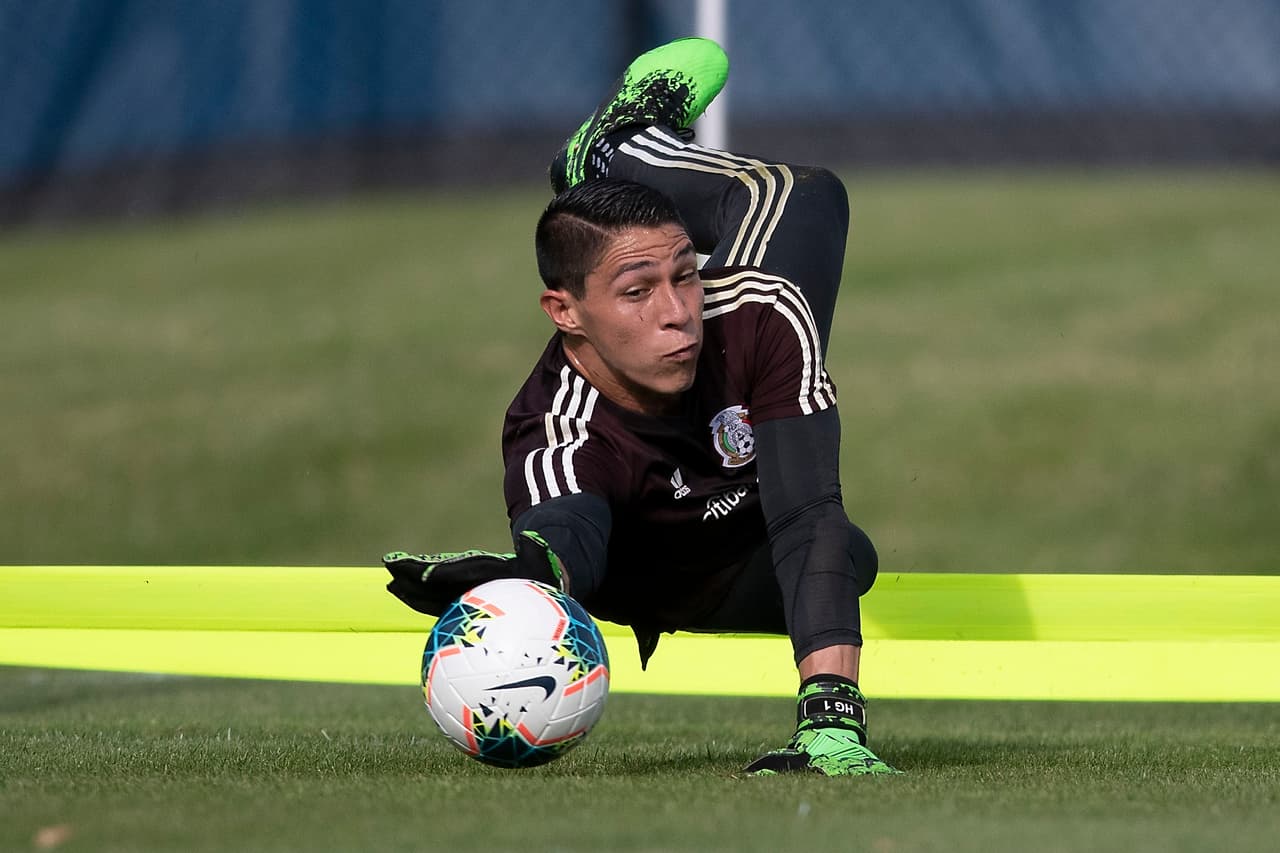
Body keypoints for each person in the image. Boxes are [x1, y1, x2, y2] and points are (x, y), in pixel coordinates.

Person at [384, 37, 898, 776]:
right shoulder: (554, 420)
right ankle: (622, 145)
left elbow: (807, 509)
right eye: (636, 291)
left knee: (803, 199)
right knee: (802, 195)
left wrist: (830, 718)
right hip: (639, 574)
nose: (677, 312)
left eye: (685, 276)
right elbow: (570, 527)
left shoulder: (755, 315)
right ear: (564, 311)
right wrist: (529, 576)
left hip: (739, 550)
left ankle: (618, 148)